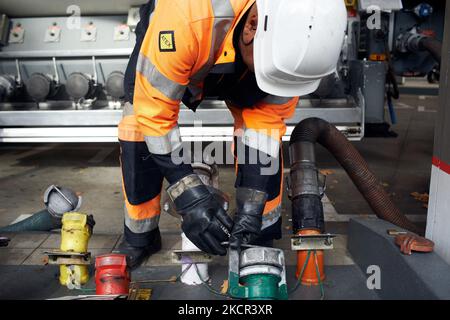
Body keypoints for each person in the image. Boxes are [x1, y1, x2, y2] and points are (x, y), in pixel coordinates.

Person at [114, 0, 347, 269]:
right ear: (252, 27)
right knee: (137, 125)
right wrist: (190, 197)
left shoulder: (295, 37)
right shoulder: (186, 18)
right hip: (181, 38)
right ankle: (140, 237)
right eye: (273, 74)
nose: (280, 88)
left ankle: (258, 234)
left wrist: (253, 208)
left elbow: (264, 128)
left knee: (264, 142)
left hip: (240, 49)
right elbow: (155, 113)